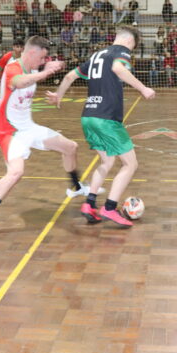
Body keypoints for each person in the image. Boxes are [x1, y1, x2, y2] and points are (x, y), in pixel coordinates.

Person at [0, 36, 88, 241]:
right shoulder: (14, 68)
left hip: (28, 127)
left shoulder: (33, 67)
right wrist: (45, 71)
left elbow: (10, 91)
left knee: (70, 147)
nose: (43, 61)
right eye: (41, 57)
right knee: (16, 173)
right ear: (32, 53)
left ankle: (76, 188)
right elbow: (18, 82)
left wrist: (55, 64)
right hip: (9, 131)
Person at [46, 27, 156, 227]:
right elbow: (118, 69)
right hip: (106, 118)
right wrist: (143, 88)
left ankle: (89, 205)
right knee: (130, 164)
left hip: (88, 116)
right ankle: (110, 208)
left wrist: (59, 95)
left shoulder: (98, 54)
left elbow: (70, 76)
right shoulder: (121, 52)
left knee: (107, 162)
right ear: (130, 42)